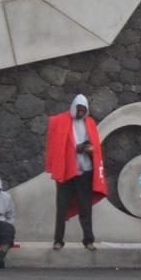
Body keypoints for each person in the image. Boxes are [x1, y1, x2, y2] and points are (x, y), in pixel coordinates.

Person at [45, 95, 107, 251]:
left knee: (85, 207)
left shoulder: (90, 123)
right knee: (62, 206)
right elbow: (57, 147)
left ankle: (88, 240)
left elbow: (96, 147)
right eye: (79, 109)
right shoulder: (60, 121)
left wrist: (90, 149)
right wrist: (76, 149)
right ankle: (58, 240)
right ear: (74, 108)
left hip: (85, 170)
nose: (81, 112)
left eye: (83, 110)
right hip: (66, 170)